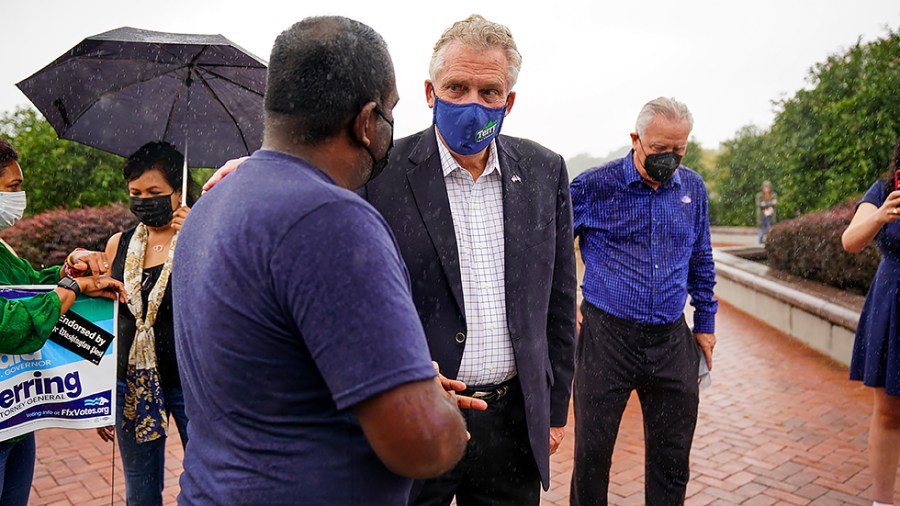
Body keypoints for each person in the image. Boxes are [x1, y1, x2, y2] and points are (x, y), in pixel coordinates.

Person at [200, 15, 577, 505]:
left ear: (509, 102)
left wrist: (555, 408)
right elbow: (305, 176)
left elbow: (560, 298)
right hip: (416, 416)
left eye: (489, 92)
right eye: (457, 87)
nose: (472, 104)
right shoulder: (380, 166)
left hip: (513, 416)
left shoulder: (545, 170)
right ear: (429, 91)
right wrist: (257, 169)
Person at [172, 17, 470, 505]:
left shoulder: (214, 204)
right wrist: (433, 405)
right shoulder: (331, 218)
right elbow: (421, 446)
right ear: (366, 121)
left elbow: (274, 373)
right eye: (391, 111)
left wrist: (392, 376)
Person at [569, 97, 717, 505]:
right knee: (592, 457)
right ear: (635, 139)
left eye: (679, 151)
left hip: (671, 340)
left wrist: (705, 324)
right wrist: (565, 308)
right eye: (659, 150)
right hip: (606, 338)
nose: (669, 159)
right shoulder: (592, 186)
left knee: (672, 460)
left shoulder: (693, 189)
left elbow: (701, 257)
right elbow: (552, 251)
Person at [0, 138, 126, 506]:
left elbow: (31, 287)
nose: (19, 197)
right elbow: (8, 325)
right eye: (12, 188)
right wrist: (71, 288)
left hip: (15, 421)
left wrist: (73, 267)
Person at [93, 141, 190, 506]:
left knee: (208, 479)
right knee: (141, 491)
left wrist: (199, 230)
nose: (143, 200)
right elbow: (108, 319)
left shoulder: (200, 234)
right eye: (135, 193)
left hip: (189, 383)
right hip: (131, 382)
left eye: (154, 192)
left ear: (177, 191)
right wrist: (101, 393)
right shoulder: (119, 243)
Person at [841, 137, 900, 506]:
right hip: (893, 305)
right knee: (889, 411)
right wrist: (882, 214)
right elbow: (850, 240)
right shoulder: (883, 189)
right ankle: (882, 503)